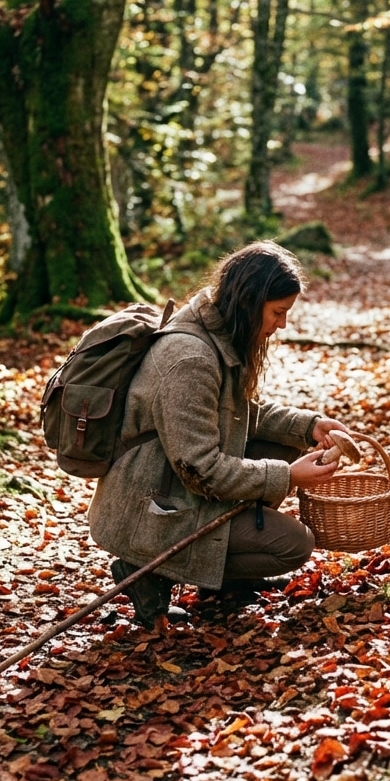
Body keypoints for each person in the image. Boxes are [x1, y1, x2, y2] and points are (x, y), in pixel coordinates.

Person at [88, 240, 350, 628]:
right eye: (277, 312)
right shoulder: (191, 358)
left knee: (285, 442)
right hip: (151, 508)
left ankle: (225, 581)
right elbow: (201, 469)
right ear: (249, 303)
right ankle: (148, 571)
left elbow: (239, 414)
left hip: (172, 484)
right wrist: (288, 476)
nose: (282, 325)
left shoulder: (217, 334)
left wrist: (307, 426)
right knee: (294, 545)